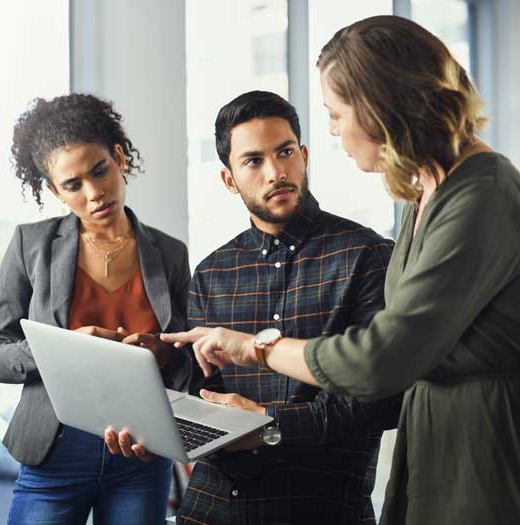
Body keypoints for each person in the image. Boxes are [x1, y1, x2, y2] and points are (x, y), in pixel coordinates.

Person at [160, 16, 520, 525]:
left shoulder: (484, 194)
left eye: (335, 112)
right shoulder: (426, 192)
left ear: (381, 105)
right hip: (438, 441)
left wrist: (257, 348)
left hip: (496, 444)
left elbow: (382, 358)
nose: (332, 129)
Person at [106, 90, 402, 524]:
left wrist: (268, 423)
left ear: (303, 155)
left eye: (285, 153)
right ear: (230, 179)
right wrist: (151, 423)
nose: (275, 172)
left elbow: (383, 401)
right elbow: (200, 396)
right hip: (212, 508)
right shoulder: (212, 273)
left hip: (320, 510)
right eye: (253, 161)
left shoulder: (368, 256)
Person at [0, 94, 193, 524]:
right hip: (54, 452)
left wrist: (161, 350)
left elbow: (187, 363)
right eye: (73, 185)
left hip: (141, 451)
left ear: (119, 158)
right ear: (53, 190)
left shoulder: (170, 253)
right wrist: (62, 348)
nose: (95, 192)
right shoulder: (30, 246)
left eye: (100, 171)